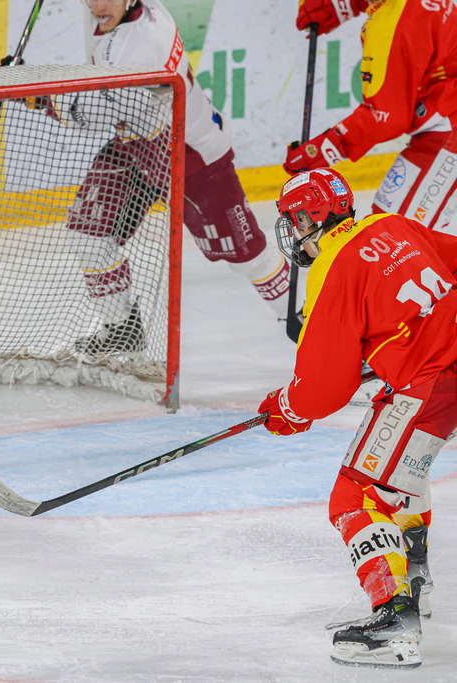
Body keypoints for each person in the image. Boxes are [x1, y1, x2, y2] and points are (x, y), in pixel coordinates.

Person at [258, 168, 457, 669]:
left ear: (310, 219)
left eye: (294, 221)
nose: (293, 231)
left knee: (357, 493)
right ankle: (413, 574)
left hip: (434, 383)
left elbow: (322, 388)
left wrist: (287, 407)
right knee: (400, 467)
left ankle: (396, 619)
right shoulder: (393, 225)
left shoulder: (330, 271)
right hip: (444, 366)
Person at [57, 0, 292, 353]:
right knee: (88, 236)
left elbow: (88, 116)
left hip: (192, 158)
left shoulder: (144, 47)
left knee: (247, 256)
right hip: (133, 147)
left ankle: (304, 318)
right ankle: (122, 330)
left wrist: (32, 96)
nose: (97, 6)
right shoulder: (116, 13)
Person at [284, 0, 457, 231]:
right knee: (397, 229)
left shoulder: (393, 26)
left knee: (396, 234)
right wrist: (350, 3)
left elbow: (385, 117)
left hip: (448, 126)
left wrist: (321, 150)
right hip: (444, 119)